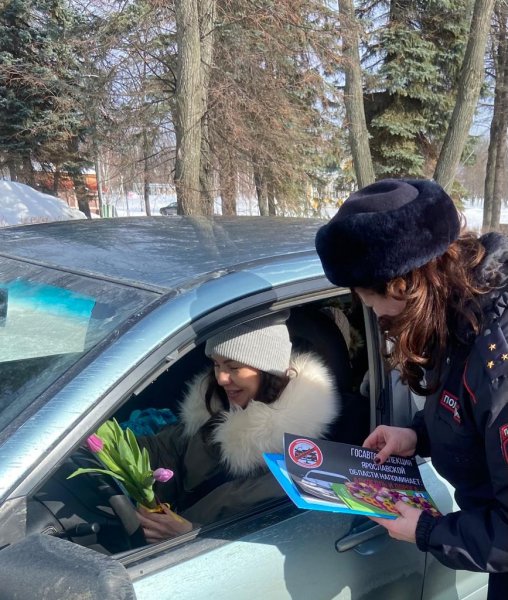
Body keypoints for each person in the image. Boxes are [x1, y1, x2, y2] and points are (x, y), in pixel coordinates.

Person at [315, 178, 508, 600]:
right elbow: (464, 407)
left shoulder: (499, 358)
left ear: (403, 285)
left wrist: (428, 531)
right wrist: (418, 435)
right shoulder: (460, 314)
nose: (375, 317)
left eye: (370, 303)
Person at [137, 312, 340, 543]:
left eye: (233, 367)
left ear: (267, 370)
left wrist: (189, 534)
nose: (221, 378)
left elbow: (269, 544)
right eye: (216, 364)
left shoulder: (297, 463)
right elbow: (163, 449)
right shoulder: (212, 412)